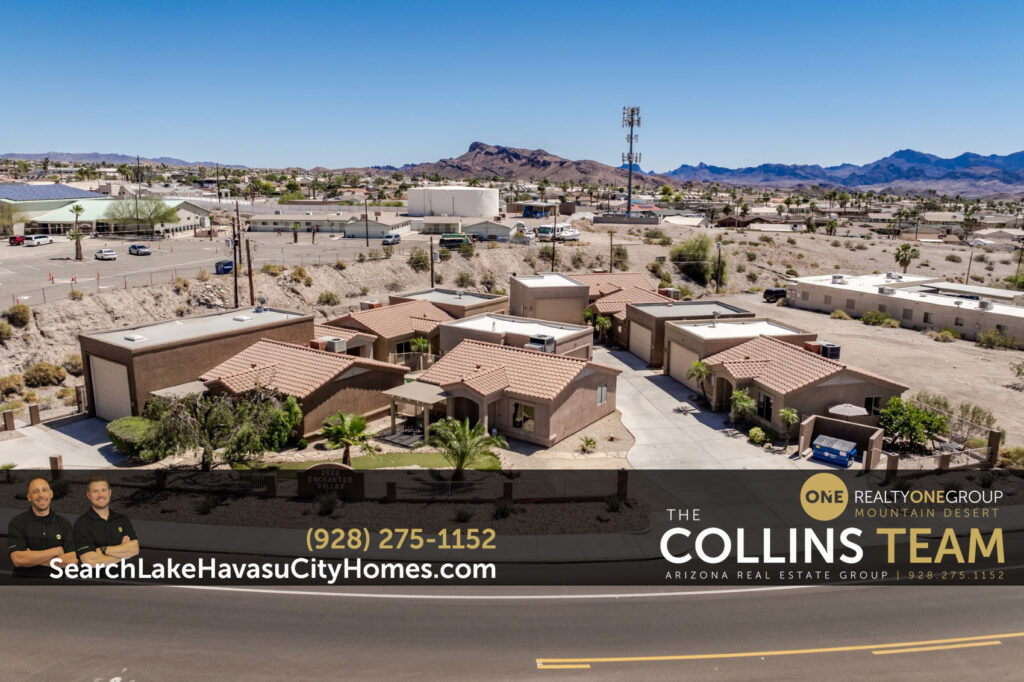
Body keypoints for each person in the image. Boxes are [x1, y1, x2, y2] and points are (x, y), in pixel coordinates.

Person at [7, 477, 77, 578]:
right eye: (35, 491)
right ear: (29, 497)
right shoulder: (17, 522)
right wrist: (55, 551)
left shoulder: (64, 523)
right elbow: (18, 560)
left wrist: (31, 558)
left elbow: (71, 560)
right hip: (25, 583)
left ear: (51, 494)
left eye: (44, 490)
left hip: (56, 584)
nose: (41, 495)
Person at [74, 475, 139, 565]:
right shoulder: (81, 524)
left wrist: (103, 550)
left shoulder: (122, 520)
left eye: (103, 490)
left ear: (109, 492)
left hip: (122, 574)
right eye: (95, 491)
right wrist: (123, 553)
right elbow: (90, 561)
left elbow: (134, 549)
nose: (100, 495)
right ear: (88, 495)